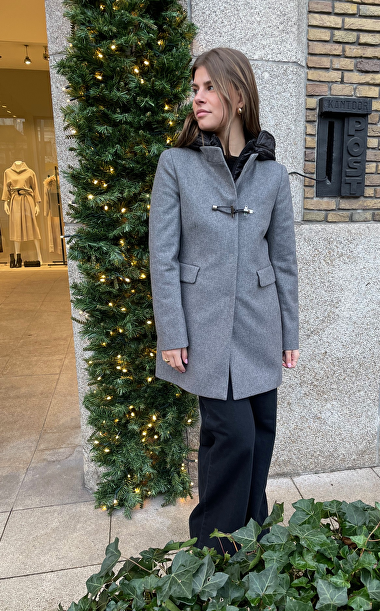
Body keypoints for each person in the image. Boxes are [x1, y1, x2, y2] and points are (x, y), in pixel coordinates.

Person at [149, 47, 299, 554]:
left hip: (259, 326)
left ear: (237, 94)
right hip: (204, 329)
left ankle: (252, 536)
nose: (198, 97)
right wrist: (172, 332)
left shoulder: (273, 175)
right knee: (231, 436)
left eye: (209, 87)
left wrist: (290, 332)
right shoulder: (176, 165)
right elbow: (163, 257)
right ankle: (216, 548)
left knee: (260, 431)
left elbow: (283, 262)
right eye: (195, 88)